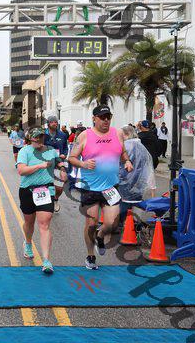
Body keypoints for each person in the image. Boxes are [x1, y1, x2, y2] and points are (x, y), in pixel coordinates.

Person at [68, 105, 133, 270]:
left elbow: (123, 152)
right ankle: (90, 255)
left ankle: (100, 235)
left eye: (108, 117)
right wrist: (83, 164)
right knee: (91, 223)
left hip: (111, 187)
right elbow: (72, 157)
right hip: (90, 187)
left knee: (112, 223)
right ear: (94, 118)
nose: (106, 120)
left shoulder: (118, 133)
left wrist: (126, 161)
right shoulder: (84, 135)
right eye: (102, 117)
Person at [16, 127, 67, 273]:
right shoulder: (24, 151)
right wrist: (39, 165)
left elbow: (59, 162)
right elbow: (21, 170)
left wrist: (63, 170)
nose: (39, 139)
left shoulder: (50, 150)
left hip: (46, 190)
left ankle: (46, 261)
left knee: (44, 225)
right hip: (27, 190)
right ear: (30, 138)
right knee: (29, 223)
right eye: (36, 137)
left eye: (41, 137)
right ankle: (28, 243)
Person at [118, 125, 156, 224]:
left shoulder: (126, 146)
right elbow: (146, 165)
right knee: (135, 203)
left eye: (121, 135)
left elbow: (119, 164)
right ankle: (134, 223)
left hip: (125, 180)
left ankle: (124, 223)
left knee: (124, 204)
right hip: (139, 181)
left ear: (126, 134)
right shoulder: (141, 146)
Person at [43, 115, 69, 213]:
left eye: (56, 122)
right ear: (48, 124)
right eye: (52, 122)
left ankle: (56, 199)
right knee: (45, 185)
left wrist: (64, 154)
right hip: (46, 163)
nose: (55, 123)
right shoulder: (43, 134)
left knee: (59, 187)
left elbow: (65, 147)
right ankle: (45, 203)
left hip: (59, 163)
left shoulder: (62, 135)